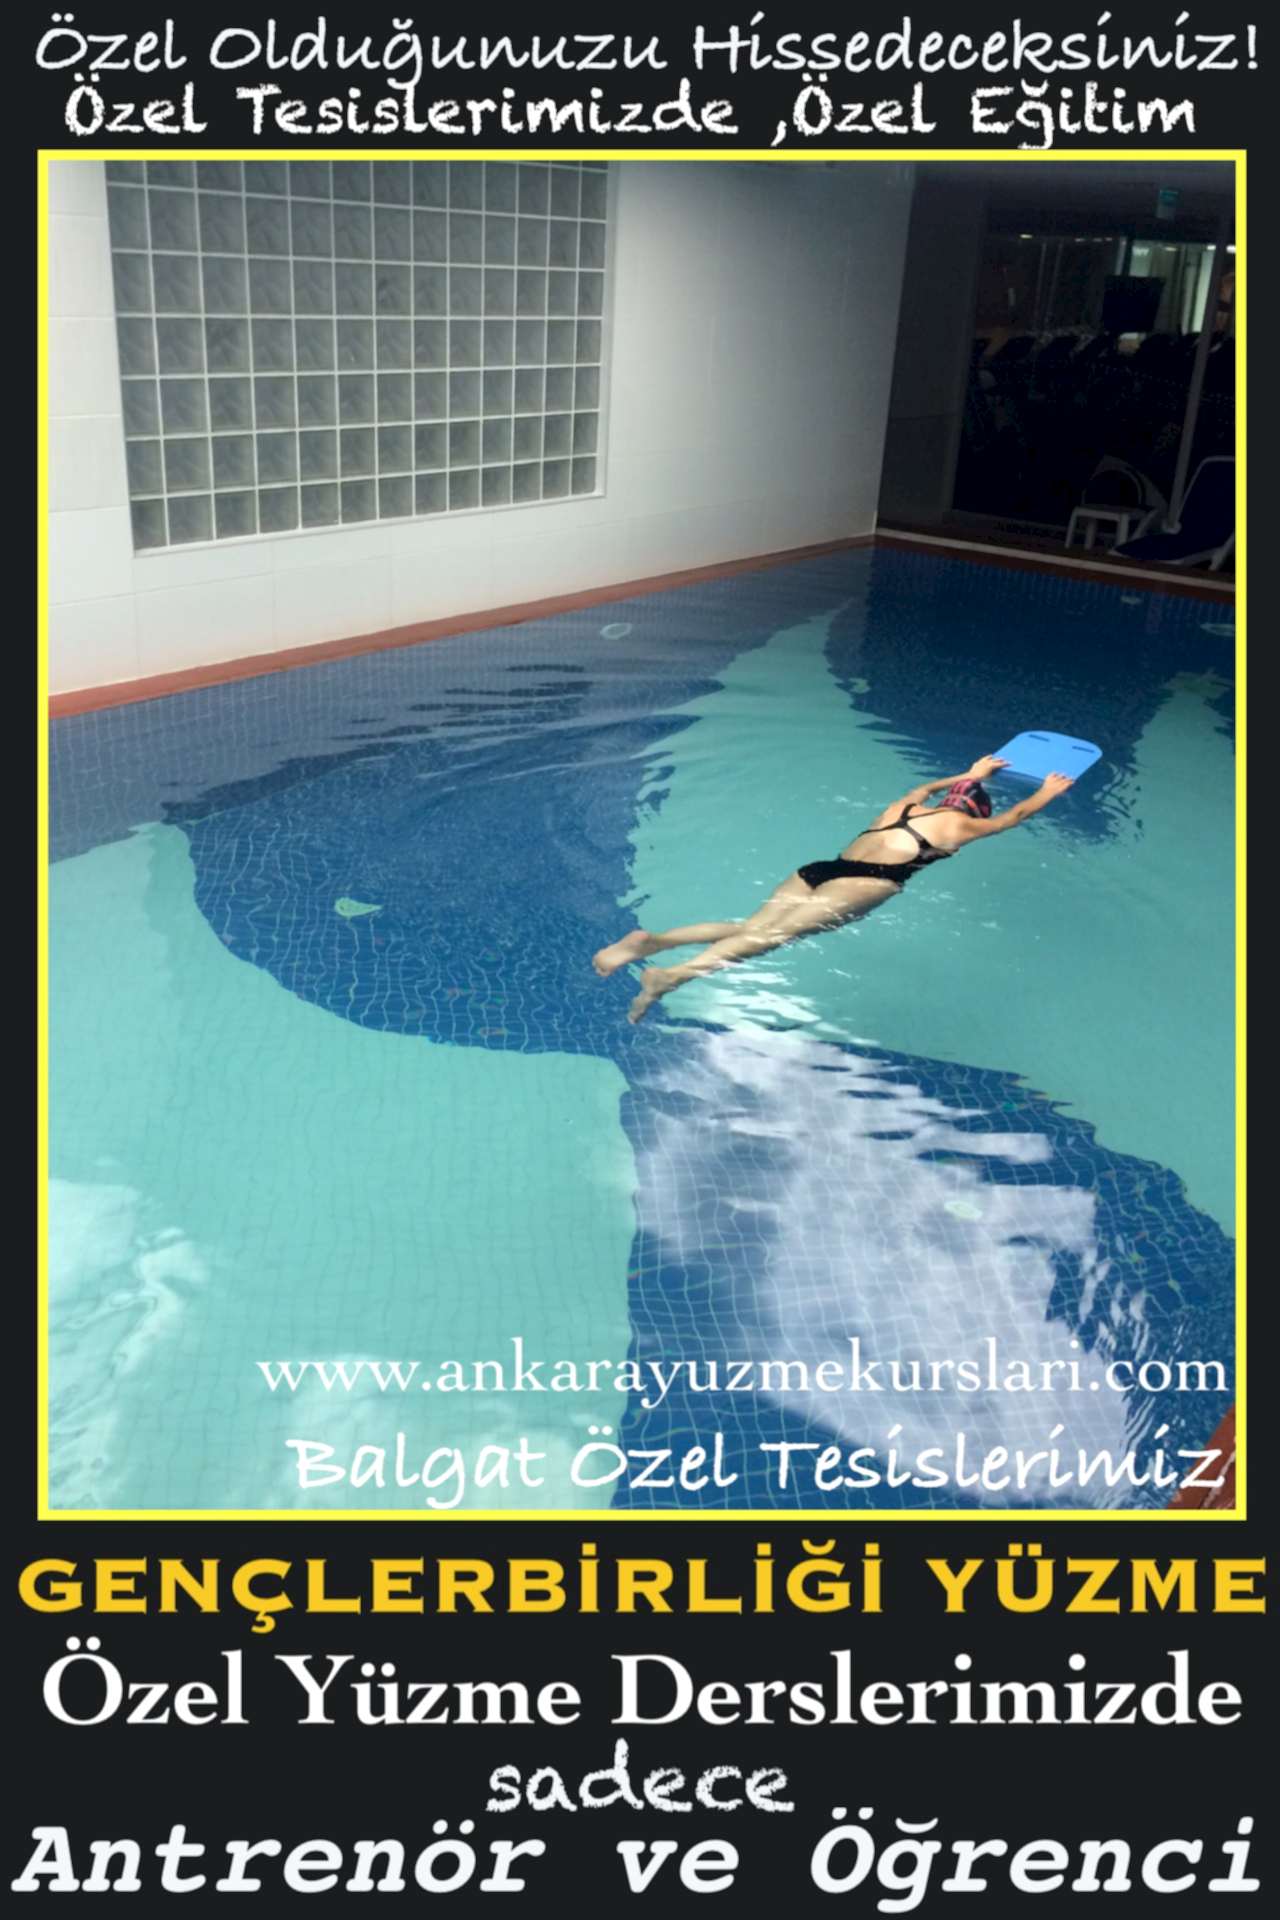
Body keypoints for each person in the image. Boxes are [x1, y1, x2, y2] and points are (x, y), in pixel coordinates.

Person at [593, 754, 1074, 1023]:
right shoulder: (958, 825)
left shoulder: (903, 807)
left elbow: (925, 788)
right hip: (866, 883)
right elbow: (1014, 817)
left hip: (822, 868)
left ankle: (654, 942)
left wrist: (972, 773)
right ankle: (670, 976)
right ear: (973, 812)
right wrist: (1047, 793)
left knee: (751, 928)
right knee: (767, 939)